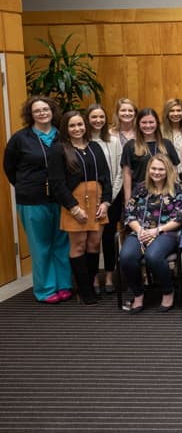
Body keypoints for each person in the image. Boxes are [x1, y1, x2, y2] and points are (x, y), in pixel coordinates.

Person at [3, 96, 72, 303]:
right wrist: (27, 186)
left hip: (60, 199)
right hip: (32, 200)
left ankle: (64, 284)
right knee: (40, 245)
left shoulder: (62, 136)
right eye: (37, 111)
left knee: (62, 243)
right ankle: (46, 289)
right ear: (30, 115)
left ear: (52, 111)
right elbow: (10, 168)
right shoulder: (20, 138)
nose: (42, 113)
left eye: (46, 109)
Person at [51, 111, 112, 305]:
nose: (77, 129)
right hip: (74, 203)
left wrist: (106, 202)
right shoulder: (59, 149)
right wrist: (74, 208)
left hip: (97, 201)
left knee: (94, 244)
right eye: (72, 126)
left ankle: (91, 283)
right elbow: (56, 184)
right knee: (78, 245)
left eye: (80, 125)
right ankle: (84, 290)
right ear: (65, 129)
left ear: (85, 126)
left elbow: (106, 176)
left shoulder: (94, 147)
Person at [119, 154, 182, 313]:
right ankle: (138, 294)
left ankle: (168, 291)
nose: (157, 172)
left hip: (166, 233)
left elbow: (181, 217)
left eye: (161, 169)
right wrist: (140, 230)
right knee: (126, 257)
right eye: (154, 168)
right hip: (140, 232)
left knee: (153, 256)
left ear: (168, 170)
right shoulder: (140, 188)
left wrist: (157, 230)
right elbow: (129, 213)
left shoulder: (177, 189)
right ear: (149, 169)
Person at [86, 103, 124, 294]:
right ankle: (93, 277)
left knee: (108, 238)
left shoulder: (114, 140)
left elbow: (119, 172)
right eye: (94, 117)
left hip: (112, 198)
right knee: (90, 240)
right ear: (88, 119)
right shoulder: (82, 141)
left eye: (101, 117)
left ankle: (109, 275)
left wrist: (109, 198)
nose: (98, 120)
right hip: (88, 198)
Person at [121, 108, 181, 203]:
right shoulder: (130, 146)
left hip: (164, 195)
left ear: (156, 123)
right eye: (144, 122)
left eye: (151, 122)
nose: (148, 125)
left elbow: (173, 171)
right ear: (138, 124)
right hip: (139, 196)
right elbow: (127, 174)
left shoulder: (167, 144)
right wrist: (128, 199)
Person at [161, 98, 182, 179]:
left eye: (178, 110)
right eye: (172, 111)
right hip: (166, 177)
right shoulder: (159, 132)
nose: (176, 113)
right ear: (167, 113)